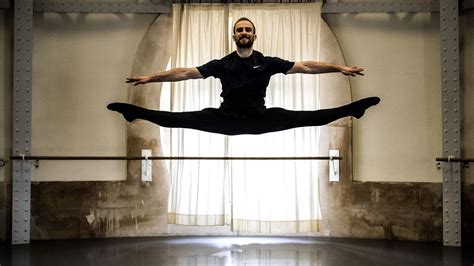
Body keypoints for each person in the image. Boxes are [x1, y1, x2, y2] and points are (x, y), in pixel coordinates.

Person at [108, 17, 380, 136]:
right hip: (225, 120)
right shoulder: (223, 64)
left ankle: (352, 111)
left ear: (254, 35)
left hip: (259, 119)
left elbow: (306, 67)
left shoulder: (267, 62)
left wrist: (339, 68)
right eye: (239, 29)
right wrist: (150, 78)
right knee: (179, 120)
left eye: (247, 29)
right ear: (234, 36)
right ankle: (134, 112)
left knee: (306, 118)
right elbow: (184, 73)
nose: (243, 32)